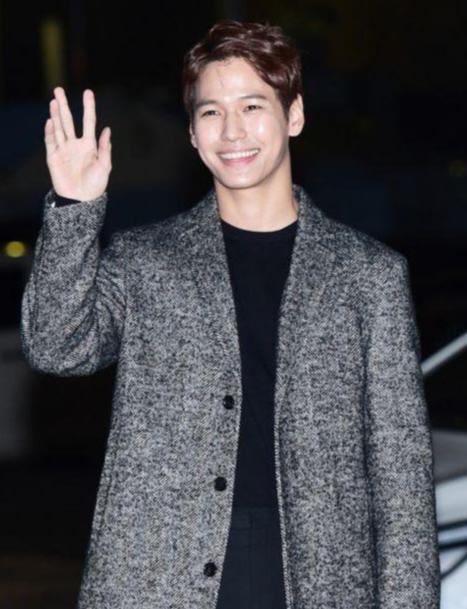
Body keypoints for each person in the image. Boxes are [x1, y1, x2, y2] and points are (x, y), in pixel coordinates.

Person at [21, 19, 440, 609]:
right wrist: (73, 207)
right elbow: (55, 346)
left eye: (252, 106)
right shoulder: (146, 260)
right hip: (158, 575)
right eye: (211, 112)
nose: (232, 130)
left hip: (320, 577)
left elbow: (402, 480)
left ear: (294, 115)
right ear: (193, 133)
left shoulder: (368, 275)